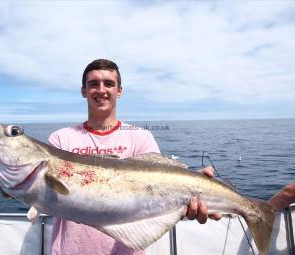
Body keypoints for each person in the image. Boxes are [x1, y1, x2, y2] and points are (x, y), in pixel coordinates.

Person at [48, 59, 220, 255]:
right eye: (93, 84)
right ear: (83, 91)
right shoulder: (60, 139)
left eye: (109, 84)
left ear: (119, 91)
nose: (101, 90)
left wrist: (191, 186)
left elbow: (157, 192)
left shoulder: (141, 137)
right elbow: (44, 195)